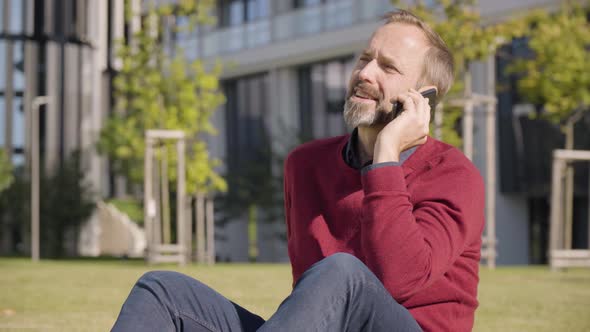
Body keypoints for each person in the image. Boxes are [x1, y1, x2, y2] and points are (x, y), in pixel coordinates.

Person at [111, 9, 484, 332]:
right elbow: (310, 296)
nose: (365, 72)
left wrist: (385, 156)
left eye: (388, 67)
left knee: (343, 272)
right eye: (364, 58)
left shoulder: (453, 175)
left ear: (423, 98)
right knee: (162, 291)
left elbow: (399, 280)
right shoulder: (305, 165)